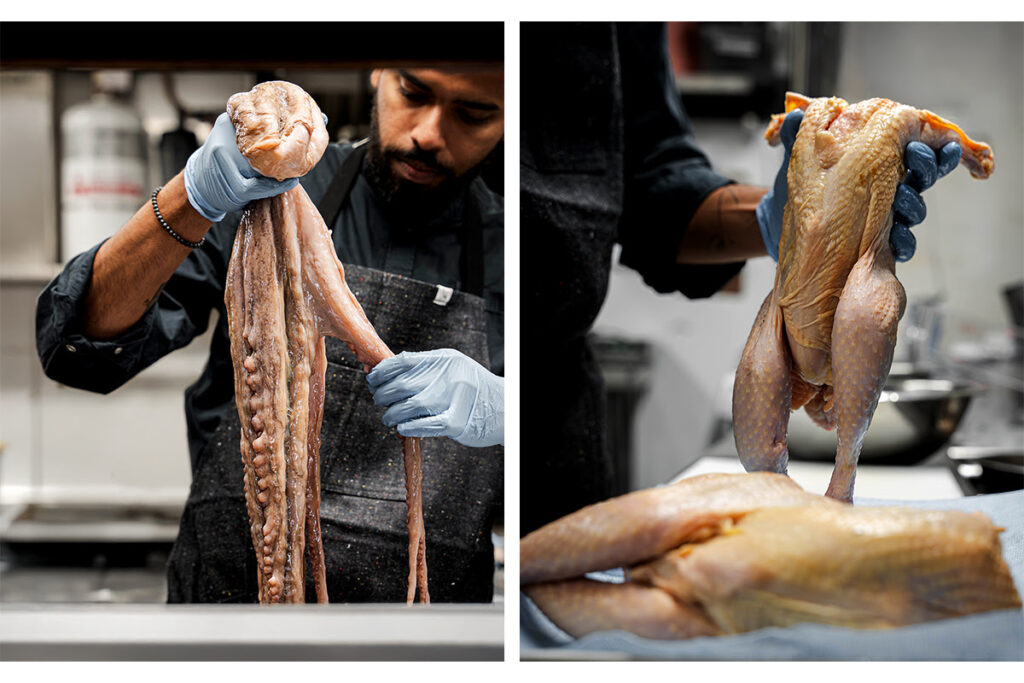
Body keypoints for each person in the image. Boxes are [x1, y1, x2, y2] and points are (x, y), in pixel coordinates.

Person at [36, 66, 505, 602]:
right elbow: (77, 350)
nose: (428, 133)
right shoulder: (262, 183)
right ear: (378, 73)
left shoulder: (517, 248)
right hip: (231, 603)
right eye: (414, 93)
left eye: (474, 114)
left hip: (431, 625)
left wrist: (505, 414)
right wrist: (192, 197)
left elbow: (566, 472)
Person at [520, 22, 959, 535]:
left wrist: (779, 217)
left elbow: (657, 198)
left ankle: (842, 481)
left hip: (554, 437)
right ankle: (827, 486)